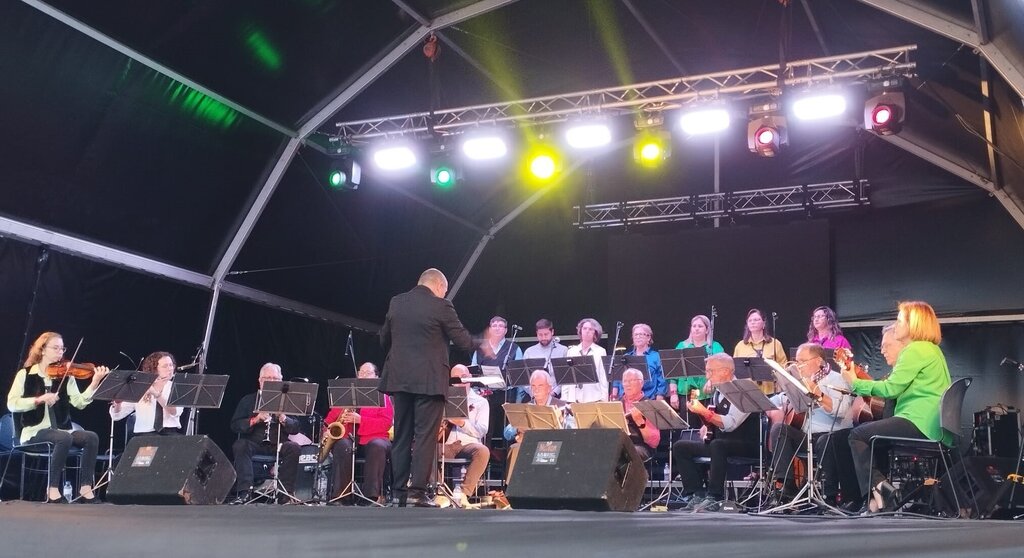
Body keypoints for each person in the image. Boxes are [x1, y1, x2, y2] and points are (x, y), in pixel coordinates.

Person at [378, 268, 482, 507]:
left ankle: (397, 493)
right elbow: (463, 340)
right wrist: (481, 342)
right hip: (429, 381)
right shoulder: (441, 306)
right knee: (425, 437)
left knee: (402, 436)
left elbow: (383, 339)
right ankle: (416, 493)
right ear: (438, 286)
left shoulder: (397, 302)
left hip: (400, 380)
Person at [841, 301, 951, 513]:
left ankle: (881, 489)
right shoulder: (932, 350)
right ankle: (878, 498)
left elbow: (891, 388)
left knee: (858, 436)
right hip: (931, 424)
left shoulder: (915, 350)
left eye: (900, 320)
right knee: (875, 438)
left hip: (919, 422)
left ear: (914, 324)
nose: (896, 323)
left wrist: (854, 382)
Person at [6, 332, 110, 503]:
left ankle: (85, 487)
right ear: (42, 350)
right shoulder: (25, 375)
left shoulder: (66, 374)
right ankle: (52, 489)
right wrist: (38, 399)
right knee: (63, 437)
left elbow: (79, 403)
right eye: (55, 348)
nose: (60, 352)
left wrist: (94, 382)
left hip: (62, 430)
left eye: (62, 348)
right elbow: (12, 403)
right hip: (34, 432)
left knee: (91, 437)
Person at [766, 343, 858, 508]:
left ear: (818, 361)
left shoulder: (837, 379)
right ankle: (787, 487)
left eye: (802, 361)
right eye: (797, 361)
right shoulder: (801, 381)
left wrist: (819, 394)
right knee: (779, 429)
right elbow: (777, 400)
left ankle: (829, 496)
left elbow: (842, 410)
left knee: (824, 440)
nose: (798, 365)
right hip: (807, 435)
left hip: (833, 435)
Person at [671, 353, 760, 511]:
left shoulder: (741, 391)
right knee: (680, 447)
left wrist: (705, 413)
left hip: (746, 443)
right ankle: (696, 494)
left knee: (718, 445)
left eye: (710, 371)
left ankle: (714, 497)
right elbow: (715, 420)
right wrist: (707, 425)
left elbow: (730, 424)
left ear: (726, 371)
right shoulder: (717, 392)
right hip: (720, 443)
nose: (707, 375)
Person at [229, 363, 301, 504]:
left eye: (275, 379)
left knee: (294, 448)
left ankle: (285, 494)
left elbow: (296, 427)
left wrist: (283, 418)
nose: (272, 382)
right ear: (260, 381)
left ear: (281, 381)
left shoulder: (287, 401)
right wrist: (255, 419)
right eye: (268, 378)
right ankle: (245, 491)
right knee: (240, 445)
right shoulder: (248, 400)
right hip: (255, 443)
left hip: (278, 444)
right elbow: (235, 425)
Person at [324, 362, 393, 505]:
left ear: (376, 376)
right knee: (342, 444)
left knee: (377, 445)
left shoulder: (383, 396)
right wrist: (326, 430)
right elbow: (330, 420)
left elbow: (385, 423)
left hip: (376, 437)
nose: (364, 376)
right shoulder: (346, 395)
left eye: (368, 373)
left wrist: (361, 420)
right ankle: (342, 496)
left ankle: (370, 497)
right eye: (361, 373)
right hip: (350, 438)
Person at [502, 369, 572, 483]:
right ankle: (512, 491)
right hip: (529, 445)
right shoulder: (526, 407)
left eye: (540, 385)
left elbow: (573, 430)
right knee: (514, 449)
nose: (536, 389)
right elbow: (506, 433)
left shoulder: (562, 406)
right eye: (533, 386)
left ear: (549, 388)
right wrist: (518, 428)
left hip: (552, 445)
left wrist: (560, 422)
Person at [443, 365, 491, 507]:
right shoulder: (444, 399)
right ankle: (440, 494)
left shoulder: (480, 402)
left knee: (483, 451)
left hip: (468, 444)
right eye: (457, 379)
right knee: (425, 448)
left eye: (464, 377)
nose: (461, 382)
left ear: (469, 376)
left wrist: (463, 423)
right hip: (446, 443)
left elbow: (482, 430)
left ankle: (464, 493)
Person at [110, 351, 183, 437]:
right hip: (145, 434)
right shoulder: (140, 386)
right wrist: (118, 403)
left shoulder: (176, 387)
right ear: (154, 369)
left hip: (170, 433)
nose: (170, 369)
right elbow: (117, 416)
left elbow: (175, 412)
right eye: (165, 366)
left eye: (171, 365)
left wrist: (156, 394)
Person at [670, 315, 726, 411]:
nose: (696, 329)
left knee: (706, 425)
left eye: (700, 326)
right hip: (687, 393)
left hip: (708, 394)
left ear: (707, 330)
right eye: (694, 326)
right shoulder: (682, 346)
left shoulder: (715, 347)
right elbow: (673, 375)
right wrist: (673, 394)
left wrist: (712, 380)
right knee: (690, 424)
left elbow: (723, 370)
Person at [733, 308, 785, 393]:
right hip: (749, 392)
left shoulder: (775, 343)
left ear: (764, 324)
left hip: (771, 391)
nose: (752, 322)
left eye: (756, 320)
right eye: (750, 320)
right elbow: (735, 369)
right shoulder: (740, 346)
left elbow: (784, 367)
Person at [611, 323, 666, 401]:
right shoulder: (626, 357)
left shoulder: (656, 356)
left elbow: (662, 379)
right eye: (635, 335)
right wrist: (614, 396)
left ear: (648, 337)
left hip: (649, 398)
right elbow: (618, 379)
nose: (638, 337)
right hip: (626, 400)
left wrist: (660, 396)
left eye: (641, 334)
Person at [561, 318, 609, 403]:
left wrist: (604, 399)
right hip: (573, 398)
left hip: (593, 397)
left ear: (595, 333)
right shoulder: (572, 351)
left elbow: (603, 377)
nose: (587, 331)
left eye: (590, 329)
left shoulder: (600, 351)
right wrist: (564, 398)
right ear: (580, 331)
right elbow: (567, 377)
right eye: (584, 328)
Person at [619, 368, 661, 461]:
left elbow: (654, 442)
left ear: (641, 383)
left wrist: (640, 422)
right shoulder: (617, 404)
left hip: (641, 446)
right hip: (619, 444)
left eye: (631, 380)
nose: (627, 384)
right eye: (625, 381)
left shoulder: (648, 405)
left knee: (625, 453)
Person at [521, 318, 568, 397]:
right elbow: (523, 378)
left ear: (552, 332)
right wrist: (533, 393)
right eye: (540, 335)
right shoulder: (529, 352)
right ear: (536, 334)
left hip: (557, 396)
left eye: (546, 334)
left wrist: (554, 392)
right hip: (534, 397)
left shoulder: (563, 350)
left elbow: (566, 377)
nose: (543, 338)